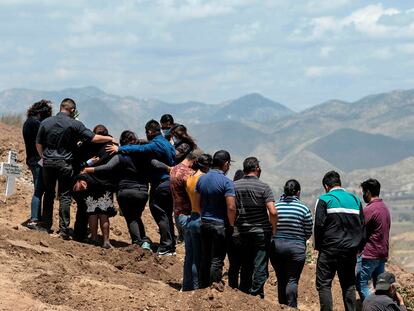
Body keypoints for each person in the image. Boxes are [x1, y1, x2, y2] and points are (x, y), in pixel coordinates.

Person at [35, 98, 114, 239]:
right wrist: (109, 139)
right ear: (72, 110)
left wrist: (43, 157)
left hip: (48, 163)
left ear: (61, 108)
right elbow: (94, 138)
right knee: (65, 195)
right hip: (65, 164)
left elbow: (38, 143)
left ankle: (46, 225)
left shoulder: (46, 122)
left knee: (48, 193)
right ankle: (64, 230)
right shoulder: (75, 124)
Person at [107, 119, 176, 255]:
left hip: (161, 183)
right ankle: (170, 245)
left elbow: (141, 148)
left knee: (160, 214)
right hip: (169, 183)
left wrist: (119, 148)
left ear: (150, 131)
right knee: (167, 215)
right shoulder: (167, 144)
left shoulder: (155, 145)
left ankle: (166, 246)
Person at [84, 131, 151, 250]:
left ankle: (138, 242)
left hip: (125, 191)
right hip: (143, 191)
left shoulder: (120, 156)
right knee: (136, 216)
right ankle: (144, 240)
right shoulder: (144, 156)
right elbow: (155, 164)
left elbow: (108, 167)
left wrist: (89, 169)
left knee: (131, 217)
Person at [314, 171, 365, 311]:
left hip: (329, 250)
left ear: (326, 186)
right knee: (348, 285)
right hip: (350, 251)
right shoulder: (355, 200)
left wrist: (319, 247)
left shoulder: (324, 199)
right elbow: (362, 226)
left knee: (324, 284)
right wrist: (359, 248)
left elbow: (318, 225)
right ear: (339, 183)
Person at [234, 157, 277, 298]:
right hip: (261, 231)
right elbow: (273, 211)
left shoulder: (235, 186)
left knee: (246, 263)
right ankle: (256, 293)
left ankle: (244, 292)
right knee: (260, 264)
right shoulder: (264, 187)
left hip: (242, 231)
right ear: (257, 168)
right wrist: (274, 228)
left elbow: (231, 207)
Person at [194, 150, 236, 288]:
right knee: (217, 258)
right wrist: (231, 224)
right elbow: (231, 207)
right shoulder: (227, 182)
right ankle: (215, 283)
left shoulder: (202, 179)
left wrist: (204, 215)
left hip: (204, 222)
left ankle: (202, 285)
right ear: (226, 164)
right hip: (220, 225)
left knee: (205, 256)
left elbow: (197, 202)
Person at [270, 179, 313, 307]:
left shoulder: (276, 207)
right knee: (292, 280)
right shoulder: (304, 209)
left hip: (276, 247)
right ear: (298, 193)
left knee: (281, 278)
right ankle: (292, 307)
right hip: (296, 249)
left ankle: (281, 306)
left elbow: (270, 225)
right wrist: (299, 239)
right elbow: (308, 231)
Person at [357, 179, 391, 301]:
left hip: (370, 254)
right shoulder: (384, 208)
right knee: (380, 287)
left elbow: (359, 229)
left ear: (368, 192)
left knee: (361, 284)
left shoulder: (369, 209)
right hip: (382, 253)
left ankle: (371, 307)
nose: (363, 195)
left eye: (363, 192)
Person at [22, 99, 52, 231]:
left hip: (32, 159)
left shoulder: (28, 122)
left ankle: (36, 219)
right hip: (37, 160)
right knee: (39, 190)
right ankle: (34, 220)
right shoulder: (36, 124)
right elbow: (42, 141)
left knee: (39, 189)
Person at [170, 151, 197, 290]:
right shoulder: (188, 174)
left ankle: (187, 285)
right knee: (194, 253)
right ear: (194, 160)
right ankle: (192, 287)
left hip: (178, 213)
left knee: (189, 253)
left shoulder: (174, 169)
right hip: (188, 214)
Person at [185, 153, 212, 290]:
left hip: (192, 217)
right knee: (200, 258)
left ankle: (188, 286)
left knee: (192, 257)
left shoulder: (190, 178)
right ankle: (198, 288)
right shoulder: (203, 179)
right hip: (201, 218)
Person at [73, 172, 117, 248]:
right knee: (103, 213)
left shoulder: (91, 162)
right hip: (104, 183)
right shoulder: (108, 160)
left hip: (90, 182)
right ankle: (106, 241)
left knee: (92, 212)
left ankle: (94, 239)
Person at [227, 169, 244, 289]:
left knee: (233, 264)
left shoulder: (229, 190)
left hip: (230, 231)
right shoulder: (245, 192)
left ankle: (232, 287)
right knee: (245, 264)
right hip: (243, 233)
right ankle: (243, 289)